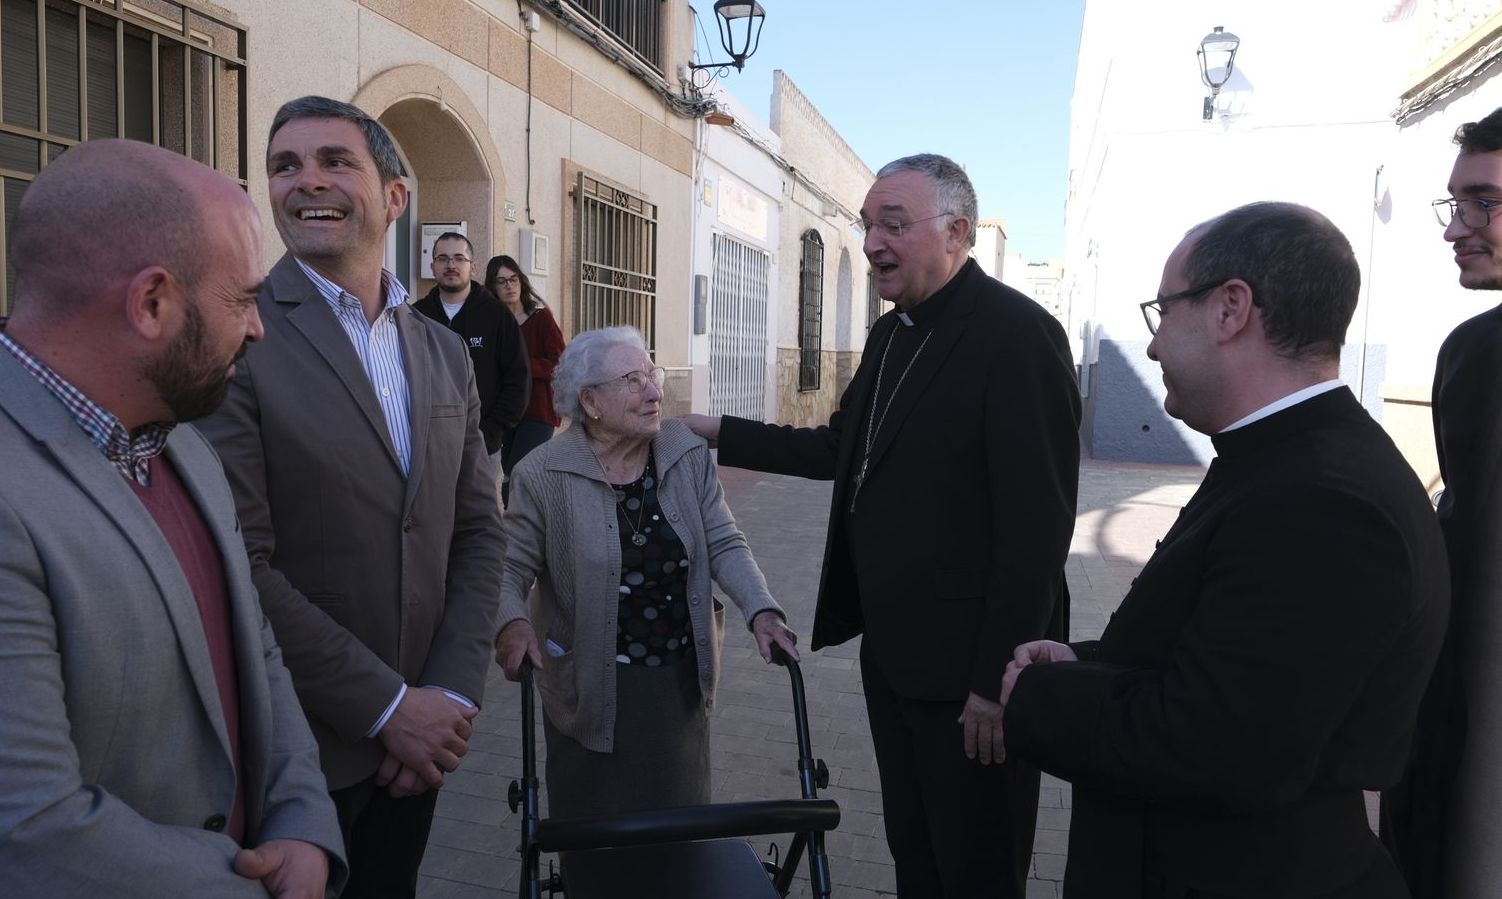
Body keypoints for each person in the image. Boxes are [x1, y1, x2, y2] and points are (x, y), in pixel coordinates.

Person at [0, 139, 345, 897]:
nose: (258, 329)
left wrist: (305, 822)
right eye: (242, 301)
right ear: (151, 303)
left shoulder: (185, 446)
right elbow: (15, 836)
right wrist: (260, 889)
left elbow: (257, 658)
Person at [1001, 202, 1450, 899]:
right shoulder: (1286, 456)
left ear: (1229, 308)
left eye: (1163, 312)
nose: (1151, 348)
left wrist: (1036, 697)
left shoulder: (1323, 501)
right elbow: (1225, 659)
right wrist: (1082, 662)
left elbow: (1220, 748)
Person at [683, 154, 1080, 898]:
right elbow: (838, 448)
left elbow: (1038, 529)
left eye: (892, 224)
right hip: (896, 659)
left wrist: (995, 682)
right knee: (917, 855)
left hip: (971, 676)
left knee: (977, 868)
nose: (870, 243)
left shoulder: (1017, 336)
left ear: (957, 231)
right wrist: (707, 428)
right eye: (868, 225)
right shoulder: (893, 333)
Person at [194, 96, 504, 899]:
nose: (307, 182)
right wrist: (386, 706)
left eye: (335, 160)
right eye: (285, 166)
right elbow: (239, 561)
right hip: (303, 751)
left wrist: (447, 698)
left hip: (425, 747)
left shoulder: (441, 350)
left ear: (395, 196)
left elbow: (477, 532)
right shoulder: (240, 336)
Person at [494, 326, 800, 818]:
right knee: (596, 833)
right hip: (588, 681)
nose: (655, 391)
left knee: (678, 825)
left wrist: (761, 611)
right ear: (590, 402)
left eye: (652, 374)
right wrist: (512, 623)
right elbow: (507, 568)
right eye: (633, 380)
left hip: (677, 681)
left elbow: (724, 540)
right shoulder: (542, 473)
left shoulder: (685, 452)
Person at [1382, 106, 1502, 899]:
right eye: (1454, 202)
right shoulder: (1471, 353)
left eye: (1483, 202)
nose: (1455, 226)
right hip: (1455, 727)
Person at [413, 232, 530, 485]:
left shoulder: (497, 315)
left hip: (482, 448)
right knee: (431, 520)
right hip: (428, 447)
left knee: (478, 521)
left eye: (459, 258)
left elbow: (518, 379)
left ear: (473, 267)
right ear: (432, 266)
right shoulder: (416, 316)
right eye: (442, 258)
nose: (451, 265)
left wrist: (490, 432)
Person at [488, 254, 565, 504]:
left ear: (522, 282)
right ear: (493, 287)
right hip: (506, 412)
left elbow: (559, 363)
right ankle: (519, 529)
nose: (509, 286)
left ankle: (528, 532)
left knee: (521, 471)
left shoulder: (541, 319)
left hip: (538, 411)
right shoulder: (494, 323)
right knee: (511, 473)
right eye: (501, 281)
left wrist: (520, 366)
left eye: (513, 279)